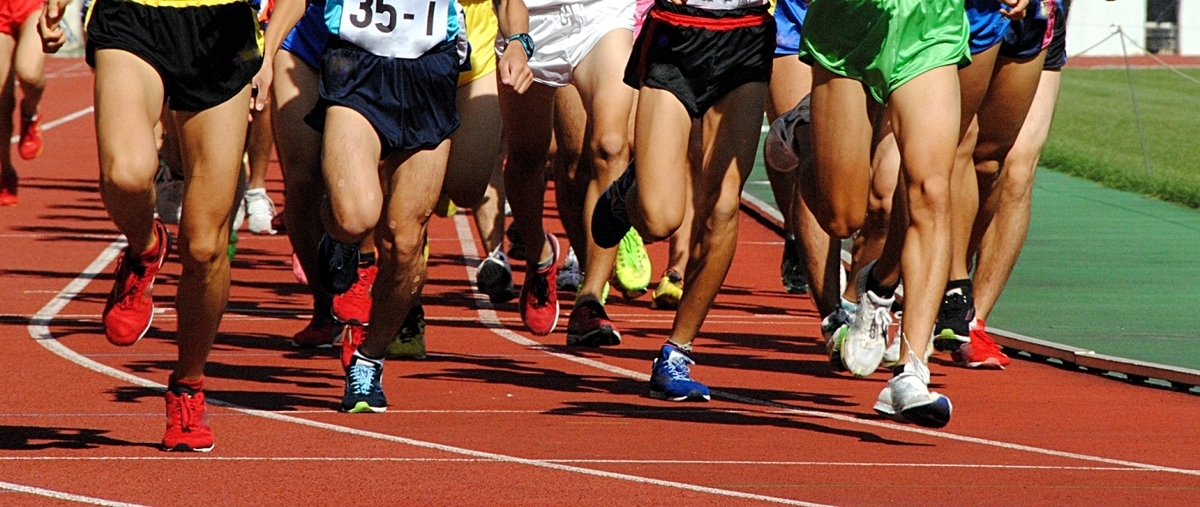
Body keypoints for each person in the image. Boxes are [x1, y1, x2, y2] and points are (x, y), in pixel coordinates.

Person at [41, 0, 261, 449]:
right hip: (132, 16)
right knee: (126, 171)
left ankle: (188, 385)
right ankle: (144, 248)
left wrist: (273, 50)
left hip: (221, 28)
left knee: (204, 246)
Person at [795, 0, 979, 427]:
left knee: (932, 189)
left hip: (929, 24)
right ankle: (800, 136)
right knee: (843, 217)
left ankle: (911, 372)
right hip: (847, 25)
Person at [593, 0, 776, 402]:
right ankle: (630, 192)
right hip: (676, 32)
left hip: (746, 34)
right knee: (659, 220)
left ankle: (677, 350)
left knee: (725, 204)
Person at [494, 0, 636, 346]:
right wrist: (517, 39)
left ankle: (591, 297)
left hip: (601, 16)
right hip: (530, 24)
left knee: (612, 146)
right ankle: (540, 255)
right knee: (528, 156)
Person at [962, 0, 1066, 365]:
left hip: (1038, 18)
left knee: (1013, 170)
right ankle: (939, 283)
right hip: (962, 16)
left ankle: (972, 321)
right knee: (952, 156)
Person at [0, 0, 46, 206]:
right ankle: (6, 172)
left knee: (28, 72)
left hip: (32, 6)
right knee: (1, 100)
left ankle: (30, 111)